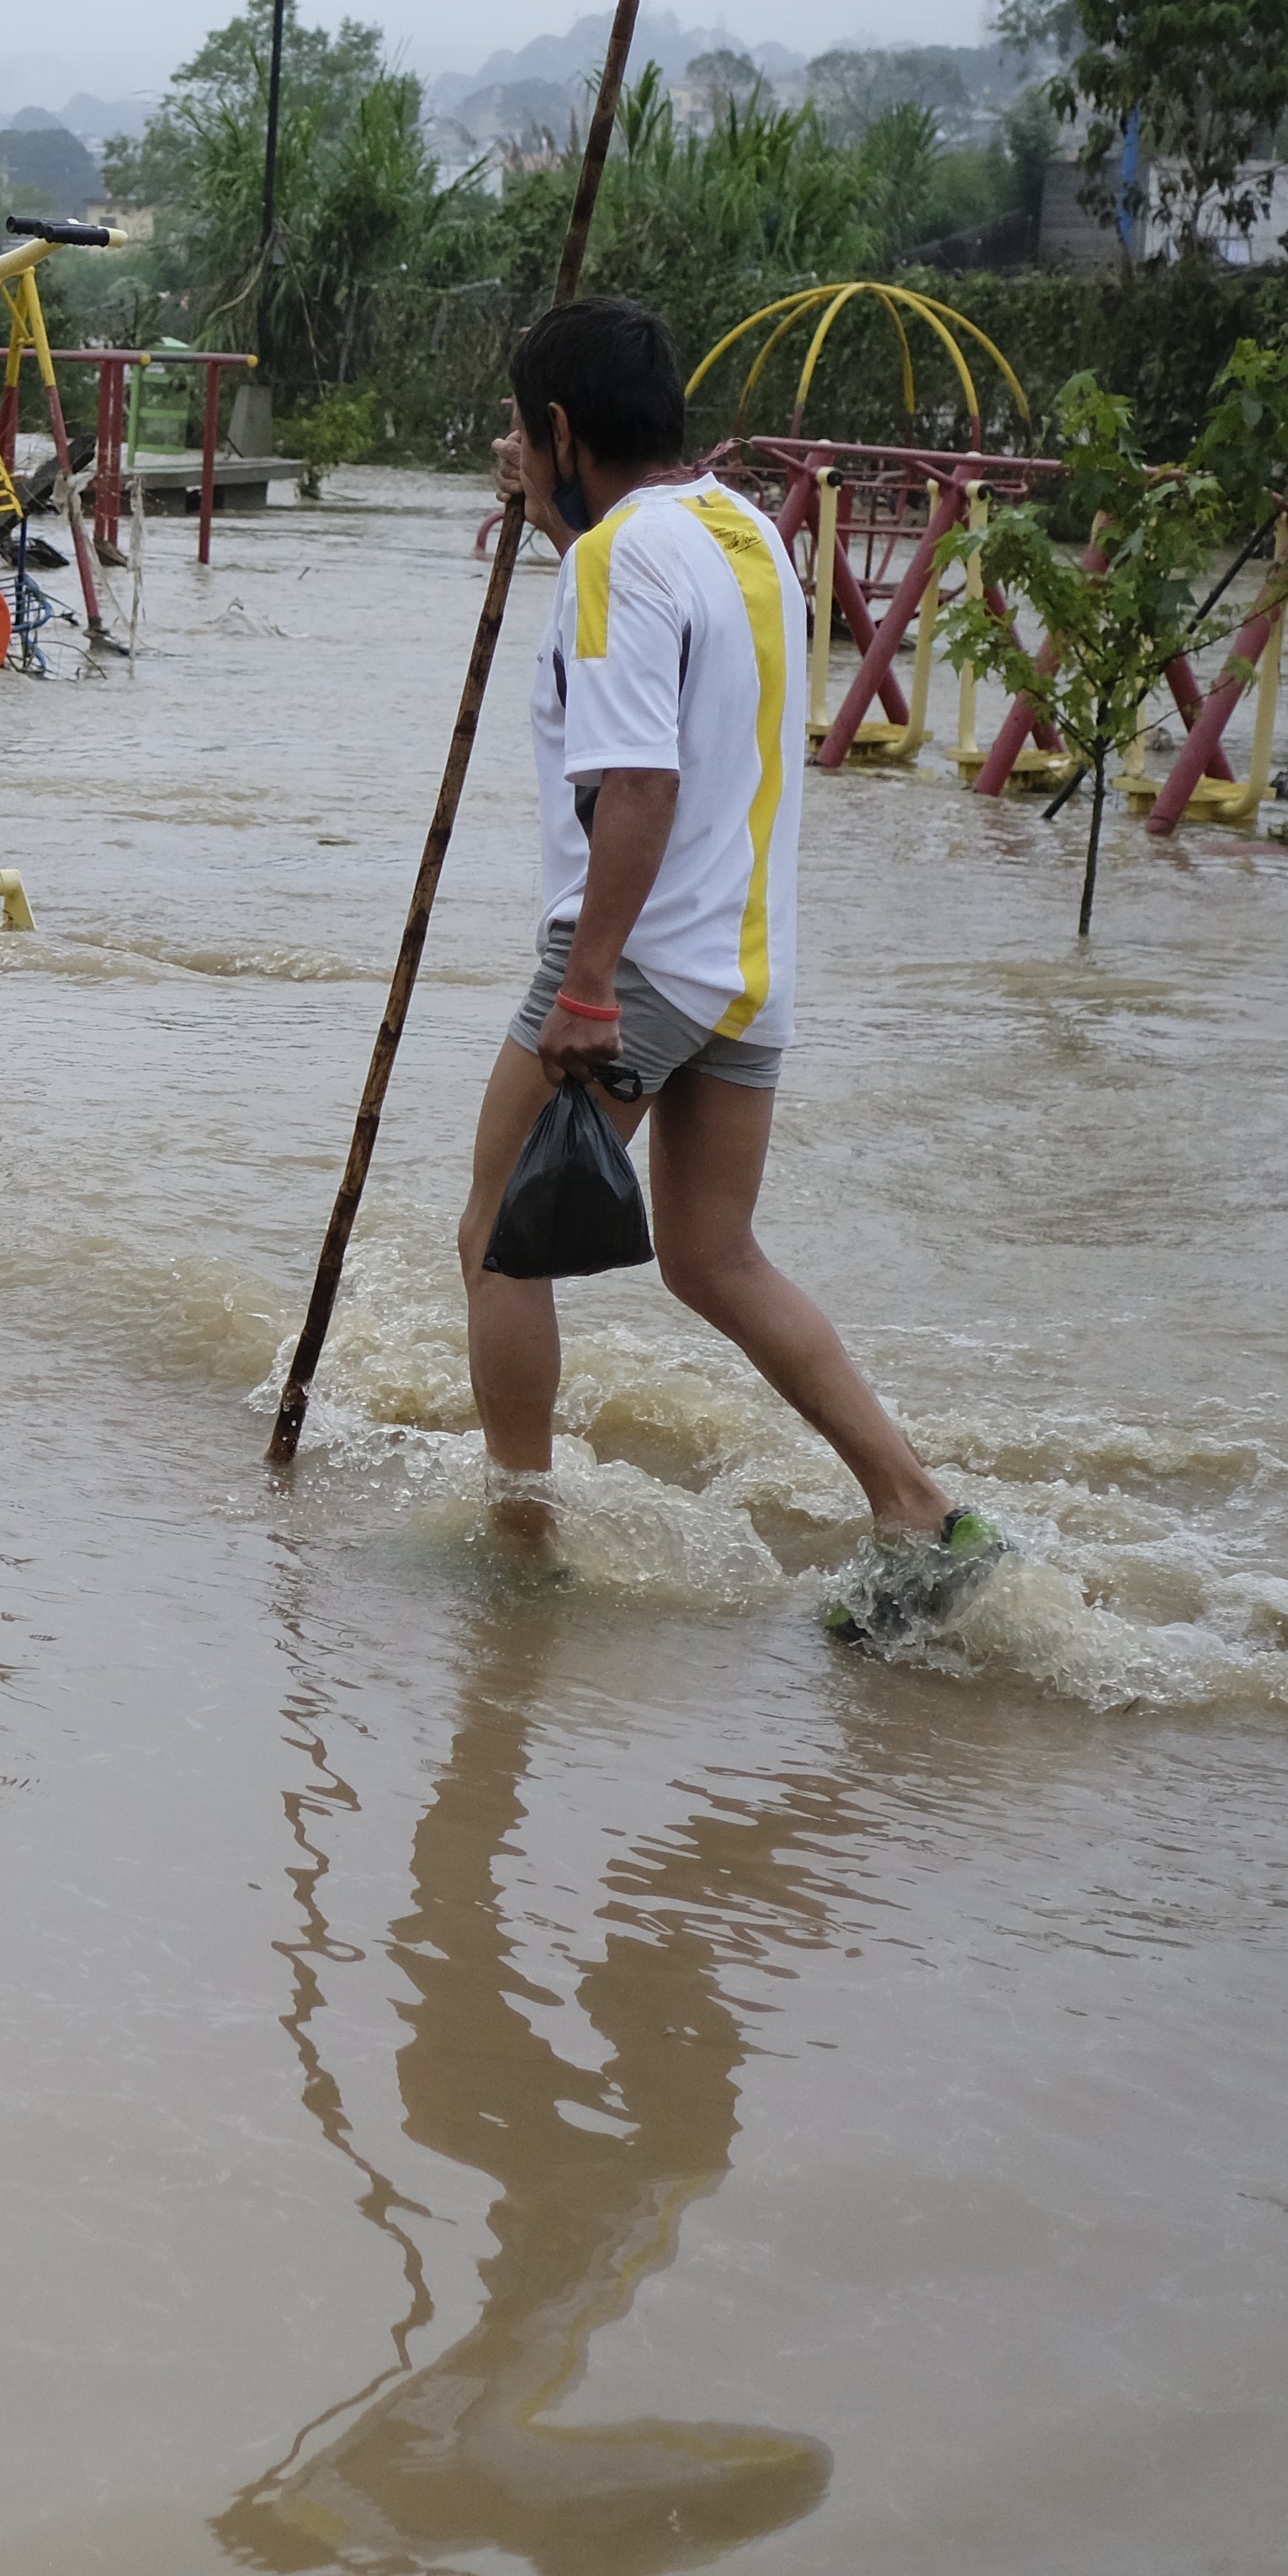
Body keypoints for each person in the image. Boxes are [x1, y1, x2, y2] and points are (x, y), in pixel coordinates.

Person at [454, 295, 993, 1636]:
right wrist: (551, 517)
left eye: (524, 434)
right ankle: (920, 1513)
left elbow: (636, 785)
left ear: (562, 430)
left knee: (499, 1242)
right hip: (746, 964)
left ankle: (517, 1545)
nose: (514, 457)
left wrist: (584, 989)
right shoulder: (741, 524)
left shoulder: (612, 564)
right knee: (710, 1255)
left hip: (632, 961)